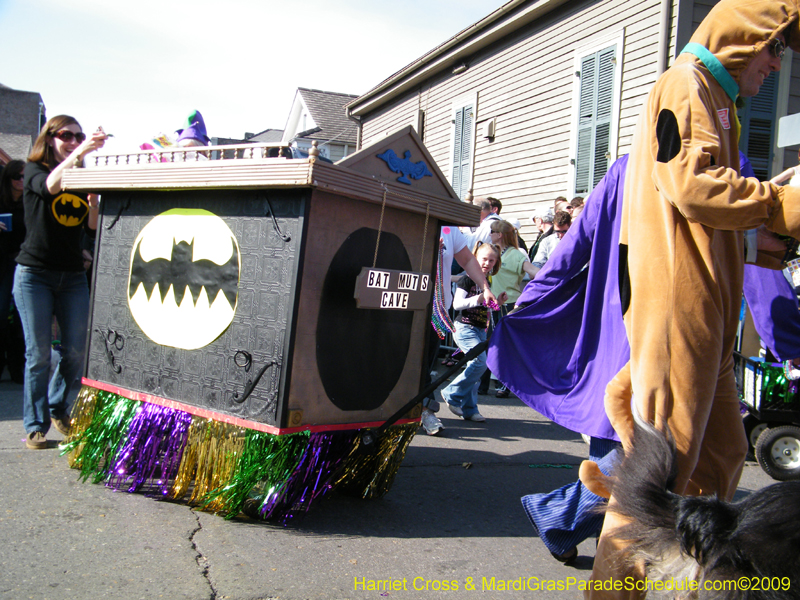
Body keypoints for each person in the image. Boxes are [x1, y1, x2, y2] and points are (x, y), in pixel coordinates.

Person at [590, 2, 800, 596]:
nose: (777, 65)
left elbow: (699, 210)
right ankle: (614, 589)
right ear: (744, 37)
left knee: (723, 454)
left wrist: (763, 230)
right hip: (678, 312)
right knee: (663, 470)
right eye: (774, 47)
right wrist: (781, 203)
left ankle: (688, 583)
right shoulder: (687, 83)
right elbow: (693, 186)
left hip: (704, 312)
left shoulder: (716, 98)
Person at [16, 115, 107, 449]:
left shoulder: (78, 175)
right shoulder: (34, 170)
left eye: (78, 136)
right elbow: (51, 186)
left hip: (71, 276)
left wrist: (94, 200)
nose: (73, 140)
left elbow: (92, 226)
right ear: (49, 137)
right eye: (66, 135)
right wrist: (82, 150)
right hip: (34, 274)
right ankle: (36, 425)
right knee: (39, 354)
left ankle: (58, 406)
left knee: (75, 350)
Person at [421, 226, 498, 435]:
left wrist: (486, 289)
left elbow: (466, 260)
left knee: (425, 364)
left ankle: (425, 410)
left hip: (437, 312)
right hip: (406, 306)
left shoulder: (448, 228)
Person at [440, 242, 506, 423]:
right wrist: (478, 298)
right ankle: (451, 393)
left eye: (492, 260)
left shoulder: (488, 282)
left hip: (479, 330)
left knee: (475, 370)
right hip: (464, 328)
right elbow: (457, 305)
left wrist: (497, 303)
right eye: (484, 259)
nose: (487, 263)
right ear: (476, 258)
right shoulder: (467, 279)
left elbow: (486, 308)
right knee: (479, 363)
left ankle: (470, 409)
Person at [486, 219, 537, 397]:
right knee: (489, 344)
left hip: (509, 305)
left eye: (492, 231)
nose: (489, 234)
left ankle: (504, 384)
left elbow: (534, 272)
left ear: (499, 235)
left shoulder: (516, 254)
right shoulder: (493, 252)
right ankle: (483, 384)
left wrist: (541, 284)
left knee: (504, 346)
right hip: (493, 303)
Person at [0, 160, 27, 382]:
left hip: (21, 262)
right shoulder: (1, 201)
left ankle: (18, 369)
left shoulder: (30, 201)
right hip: (2, 262)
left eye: (25, 177)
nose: (21, 181)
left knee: (21, 318)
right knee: (1, 315)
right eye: (17, 177)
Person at [530, 210, 570, 274]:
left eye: (564, 231)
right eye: (557, 231)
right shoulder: (547, 242)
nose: (561, 235)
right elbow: (538, 263)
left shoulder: (578, 241)